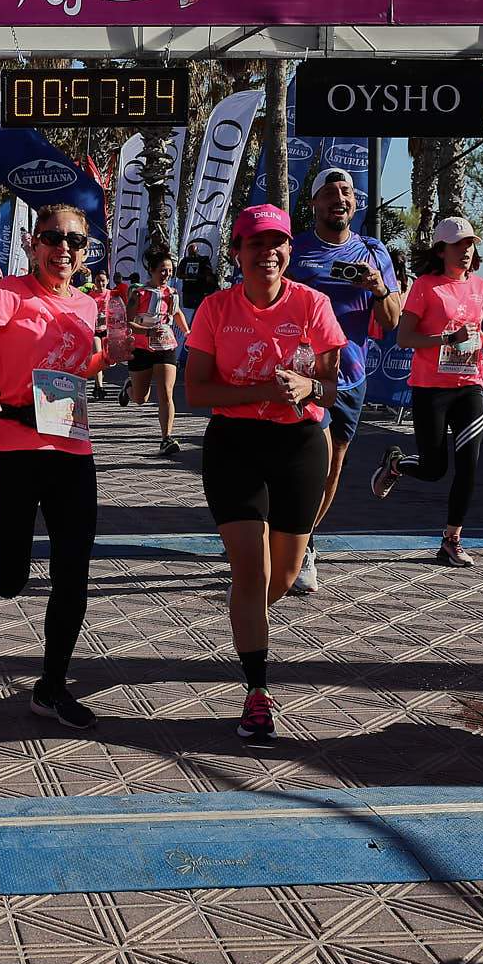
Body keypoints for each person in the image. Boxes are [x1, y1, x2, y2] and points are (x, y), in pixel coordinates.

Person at [0, 205, 127, 728]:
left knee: (73, 573)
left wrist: (106, 359)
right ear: (32, 243)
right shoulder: (7, 295)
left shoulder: (89, 307)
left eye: (76, 241)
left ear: (88, 251)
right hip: (12, 448)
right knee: (12, 580)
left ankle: (52, 686)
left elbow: (74, 368)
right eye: (52, 238)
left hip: (71, 449)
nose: (64, 249)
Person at [184, 205, 345, 742]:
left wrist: (308, 390)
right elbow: (198, 390)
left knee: (282, 574)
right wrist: (261, 391)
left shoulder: (312, 304)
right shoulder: (214, 308)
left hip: (299, 443)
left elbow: (330, 388)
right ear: (237, 253)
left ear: (288, 251)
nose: (267, 252)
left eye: (276, 242)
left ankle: (245, 614)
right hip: (235, 444)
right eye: (255, 243)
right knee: (250, 572)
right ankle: (257, 691)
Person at [284, 167, 402, 594]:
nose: (340, 198)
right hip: (300, 375)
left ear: (355, 202)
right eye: (330, 192)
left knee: (332, 467)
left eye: (347, 192)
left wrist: (378, 290)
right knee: (296, 465)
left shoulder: (374, 252)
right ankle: (293, 543)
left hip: (350, 378)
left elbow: (390, 324)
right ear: (314, 203)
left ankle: (303, 543)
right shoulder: (295, 251)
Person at [369, 217, 483, 566]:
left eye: (470, 244)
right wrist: (446, 339)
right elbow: (404, 338)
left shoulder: (479, 286)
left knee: (469, 467)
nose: (466, 251)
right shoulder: (426, 286)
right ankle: (396, 463)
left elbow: (475, 331)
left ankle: (451, 539)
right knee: (433, 469)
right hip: (431, 388)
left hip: (470, 386)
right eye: (459, 245)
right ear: (441, 250)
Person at [121, 249, 191, 456]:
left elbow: (177, 313)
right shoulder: (139, 293)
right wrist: (147, 330)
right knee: (141, 398)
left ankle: (166, 438)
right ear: (151, 270)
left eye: (169, 271)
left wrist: (188, 333)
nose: (166, 274)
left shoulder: (172, 293)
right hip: (141, 347)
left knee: (166, 393)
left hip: (166, 346)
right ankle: (129, 387)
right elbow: (128, 322)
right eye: (162, 270)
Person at [178, 243, 217, 318]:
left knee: (198, 311)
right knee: (187, 311)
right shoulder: (184, 260)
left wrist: (198, 276)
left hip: (199, 291)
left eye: (193, 253)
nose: (192, 255)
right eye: (190, 253)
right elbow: (178, 274)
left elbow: (208, 273)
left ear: (197, 251)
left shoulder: (203, 260)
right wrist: (187, 276)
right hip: (187, 291)